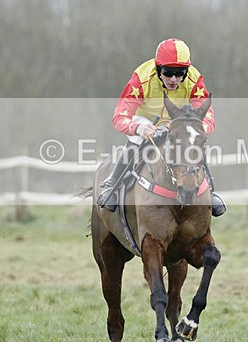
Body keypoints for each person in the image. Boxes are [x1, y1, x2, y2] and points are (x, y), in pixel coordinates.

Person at [97, 38, 226, 216]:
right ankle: (112, 184)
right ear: (158, 69)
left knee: (192, 142)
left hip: (177, 120)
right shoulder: (141, 78)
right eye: (168, 72)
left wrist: (198, 128)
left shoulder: (194, 78)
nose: (174, 79)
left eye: (180, 73)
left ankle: (209, 191)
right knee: (135, 139)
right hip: (146, 119)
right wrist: (138, 128)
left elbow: (208, 115)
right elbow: (120, 116)